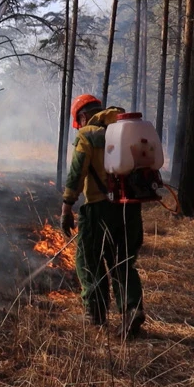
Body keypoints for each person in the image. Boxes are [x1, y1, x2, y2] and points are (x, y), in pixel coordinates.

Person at [60, 94, 146, 339]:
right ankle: (132, 308)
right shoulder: (127, 130)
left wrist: (67, 207)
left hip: (99, 208)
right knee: (122, 261)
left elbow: (77, 172)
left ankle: (95, 315)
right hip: (130, 209)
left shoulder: (87, 134)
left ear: (83, 117)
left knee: (88, 260)